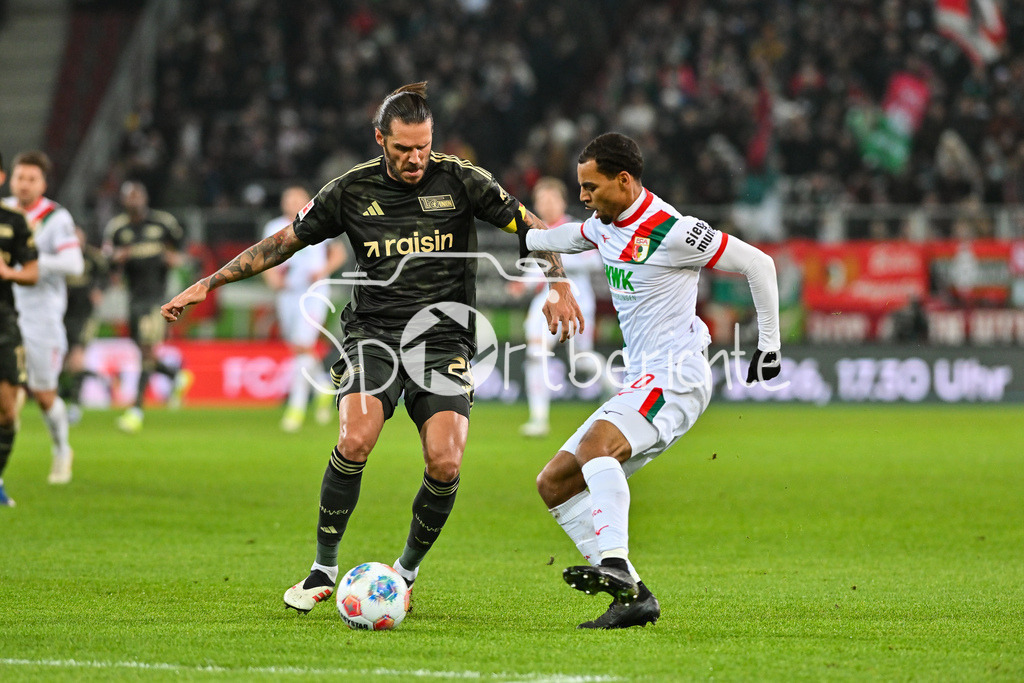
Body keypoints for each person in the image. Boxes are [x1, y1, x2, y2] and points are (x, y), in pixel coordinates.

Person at [161, 82, 583, 613]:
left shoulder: (461, 180)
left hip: (442, 339)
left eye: (423, 147)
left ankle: (404, 573)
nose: (414, 159)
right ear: (379, 138)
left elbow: (534, 228)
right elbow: (282, 243)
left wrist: (559, 284)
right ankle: (323, 567)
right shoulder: (350, 191)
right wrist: (210, 282)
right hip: (373, 336)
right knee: (356, 439)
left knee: (445, 462)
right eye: (403, 148)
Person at [517, 133, 782, 629]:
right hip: (642, 380)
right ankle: (634, 596)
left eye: (591, 186)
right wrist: (513, 226)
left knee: (599, 448)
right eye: (580, 186)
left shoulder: (673, 230)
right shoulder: (604, 225)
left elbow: (758, 264)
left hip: (678, 374)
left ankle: (613, 562)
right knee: (553, 483)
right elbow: (561, 236)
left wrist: (769, 345)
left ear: (624, 180)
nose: (584, 196)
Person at [2, 151, 83, 485]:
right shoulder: (4, 213)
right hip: (5, 313)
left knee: (43, 393)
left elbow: (74, 266)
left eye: (31, 179)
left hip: (40, 315)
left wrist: (27, 262)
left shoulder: (56, 218)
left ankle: (62, 449)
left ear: (43, 183)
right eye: (20, 177)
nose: (24, 184)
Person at [512, 177, 603, 437]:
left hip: (578, 300)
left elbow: (595, 262)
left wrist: (557, 264)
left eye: (552, 199)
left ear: (562, 201)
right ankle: (538, 418)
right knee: (536, 352)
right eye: (542, 200)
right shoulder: (536, 233)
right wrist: (523, 285)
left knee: (582, 361)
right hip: (548, 300)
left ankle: (612, 385)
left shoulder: (576, 229)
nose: (547, 204)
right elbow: (533, 274)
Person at [103, 181, 191, 433]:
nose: (134, 199)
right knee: (141, 347)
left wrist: (176, 258)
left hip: (158, 297)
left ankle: (136, 410)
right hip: (133, 297)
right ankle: (174, 375)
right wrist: (115, 263)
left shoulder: (163, 223)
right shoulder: (117, 228)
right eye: (129, 196)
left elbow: (183, 249)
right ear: (123, 200)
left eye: (137, 195)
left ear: (145, 197)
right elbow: (108, 260)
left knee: (146, 350)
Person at [261, 185, 347, 432]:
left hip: (313, 293)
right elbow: (265, 257)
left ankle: (296, 408)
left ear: (306, 200)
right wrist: (272, 279)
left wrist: (322, 271)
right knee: (298, 348)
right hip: (287, 293)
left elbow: (339, 253)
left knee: (301, 345)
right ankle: (323, 383)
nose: (291, 203)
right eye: (287, 199)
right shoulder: (273, 227)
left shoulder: (320, 220)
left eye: (296, 198)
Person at [0, 151, 40, 506]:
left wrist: (8, 272)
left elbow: (32, 271)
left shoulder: (14, 220)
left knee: (9, 411)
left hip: (3, 323)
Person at [60, 225, 109, 424]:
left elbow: (106, 276)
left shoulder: (93, 257)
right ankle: (98, 378)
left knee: (77, 358)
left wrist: (99, 290)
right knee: (65, 363)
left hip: (85, 314)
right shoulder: (62, 256)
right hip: (64, 313)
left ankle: (74, 405)